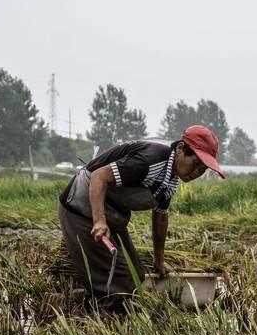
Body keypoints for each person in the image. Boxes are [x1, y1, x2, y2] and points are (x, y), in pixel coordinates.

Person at [58, 125, 225, 312]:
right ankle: (106, 324)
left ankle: (101, 305)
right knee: (121, 282)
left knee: (136, 274)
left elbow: (160, 217)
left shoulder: (170, 178)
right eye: (195, 164)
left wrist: (159, 261)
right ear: (180, 149)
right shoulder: (149, 160)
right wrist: (99, 221)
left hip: (111, 215)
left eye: (202, 170)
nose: (196, 172)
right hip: (81, 210)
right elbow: (99, 177)